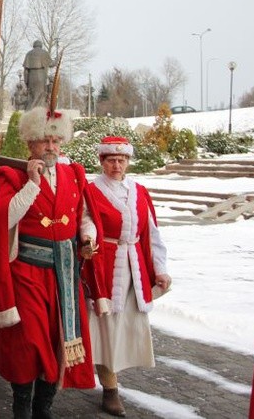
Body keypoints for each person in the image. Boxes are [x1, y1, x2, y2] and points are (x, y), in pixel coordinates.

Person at [0, 106, 102, 419]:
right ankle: (22, 403)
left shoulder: (73, 174)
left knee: (56, 339)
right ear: (30, 143)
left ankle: (44, 406)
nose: (50, 147)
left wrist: (88, 237)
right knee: (29, 341)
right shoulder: (12, 175)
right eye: (42, 140)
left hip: (64, 274)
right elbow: (2, 220)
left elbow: (84, 217)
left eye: (54, 141)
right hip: (27, 272)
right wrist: (32, 184)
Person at [83, 136, 171, 417]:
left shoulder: (139, 191)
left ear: (128, 162)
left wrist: (161, 269)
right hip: (104, 266)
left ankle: (115, 376)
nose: (117, 165)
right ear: (101, 161)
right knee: (106, 329)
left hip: (134, 268)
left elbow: (152, 233)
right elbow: (86, 221)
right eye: (111, 160)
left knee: (129, 328)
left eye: (121, 160)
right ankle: (110, 389)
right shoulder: (91, 190)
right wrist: (88, 238)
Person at [22, 40, 54, 110]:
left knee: (32, 97)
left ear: (34, 45)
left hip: (31, 77)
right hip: (41, 76)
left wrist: (26, 82)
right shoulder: (44, 53)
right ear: (41, 45)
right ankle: (37, 113)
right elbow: (52, 64)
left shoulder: (29, 54)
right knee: (40, 96)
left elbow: (26, 70)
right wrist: (57, 59)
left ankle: (30, 113)